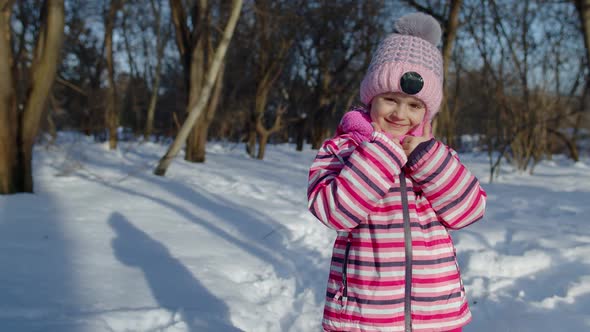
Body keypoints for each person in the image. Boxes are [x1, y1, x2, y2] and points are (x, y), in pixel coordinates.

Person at [307, 12, 487, 332]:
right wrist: (380, 153)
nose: (400, 113)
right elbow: (334, 212)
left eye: (414, 105)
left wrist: (426, 159)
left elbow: (469, 211)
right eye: (390, 99)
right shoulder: (341, 151)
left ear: (427, 111)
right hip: (363, 317)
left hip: (437, 314)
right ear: (371, 97)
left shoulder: (437, 157)